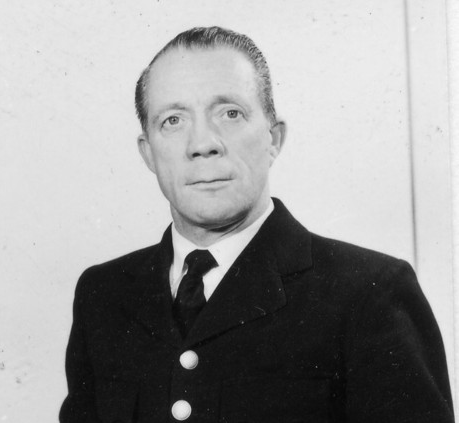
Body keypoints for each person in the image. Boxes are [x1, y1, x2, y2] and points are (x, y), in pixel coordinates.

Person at [60, 27, 454, 423]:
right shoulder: (103, 295)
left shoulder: (370, 294)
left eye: (230, 113)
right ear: (148, 153)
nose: (202, 144)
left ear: (273, 138)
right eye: (173, 120)